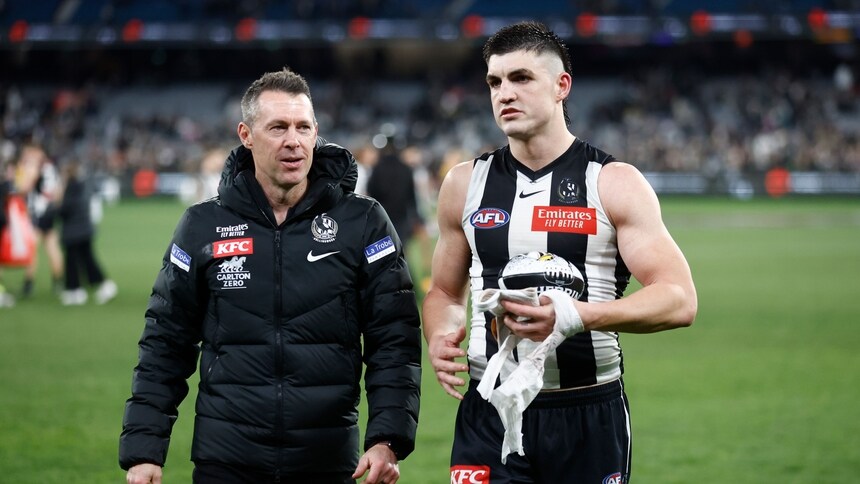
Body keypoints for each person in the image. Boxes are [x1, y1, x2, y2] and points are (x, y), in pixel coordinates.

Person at [422, 21, 697, 483]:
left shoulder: (613, 182)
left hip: (587, 412)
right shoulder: (464, 184)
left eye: (521, 78)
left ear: (561, 86)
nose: (504, 93)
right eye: (494, 81)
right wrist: (440, 335)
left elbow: (679, 299)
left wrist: (577, 317)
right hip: (489, 410)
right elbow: (446, 293)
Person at [119, 68, 421, 484]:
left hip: (327, 462)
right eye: (278, 127)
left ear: (317, 132)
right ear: (246, 134)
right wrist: (143, 451)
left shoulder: (363, 222)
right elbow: (164, 343)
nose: (293, 141)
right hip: (226, 462)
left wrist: (387, 438)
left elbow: (395, 341)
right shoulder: (202, 225)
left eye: (303, 127)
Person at [55, 158, 117, 306]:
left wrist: (55, 204)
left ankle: (75, 290)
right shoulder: (81, 186)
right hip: (83, 229)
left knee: (73, 261)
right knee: (87, 259)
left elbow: (64, 210)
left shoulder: (70, 188)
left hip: (74, 231)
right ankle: (101, 286)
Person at [15, 143, 64, 297]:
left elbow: (23, 188)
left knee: (32, 250)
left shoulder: (36, 168)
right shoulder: (52, 168)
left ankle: (28, 284)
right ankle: (58, 283)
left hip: (38, 214)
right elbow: (58, 193)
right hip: (51, 212)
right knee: (53, 248)